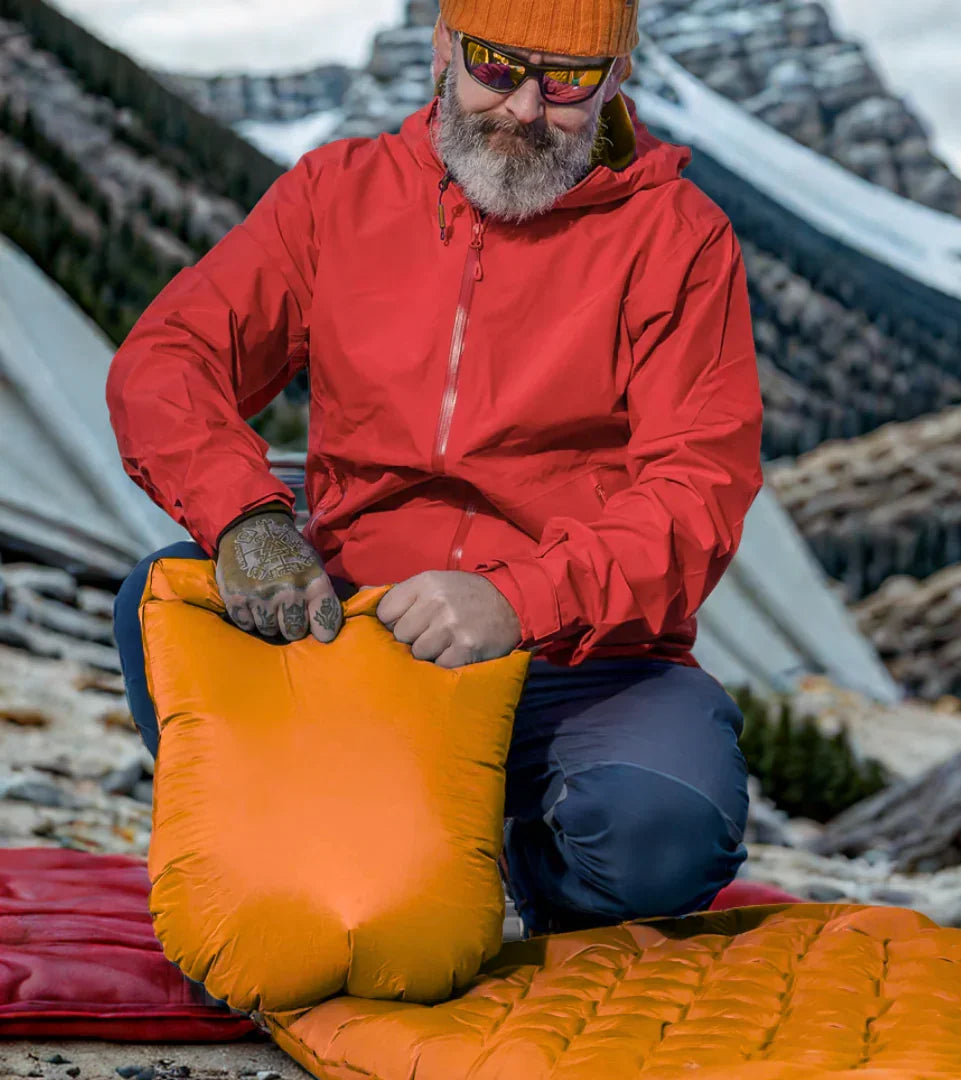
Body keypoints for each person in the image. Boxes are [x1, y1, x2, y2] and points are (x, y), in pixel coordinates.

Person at [107, 0, 764, 939]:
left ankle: (520, 877)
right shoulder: (335, 193)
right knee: (160, 601)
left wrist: (518, 599)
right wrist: (248, 521)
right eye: (496, 66)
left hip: (574, 658)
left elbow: (697, 491)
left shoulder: (679, 237)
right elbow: (169, 360)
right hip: (350, 623)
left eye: (568, 81)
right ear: (444, 49)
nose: (526, 108)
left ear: (616, 81)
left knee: (663, 834)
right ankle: (325, 836)